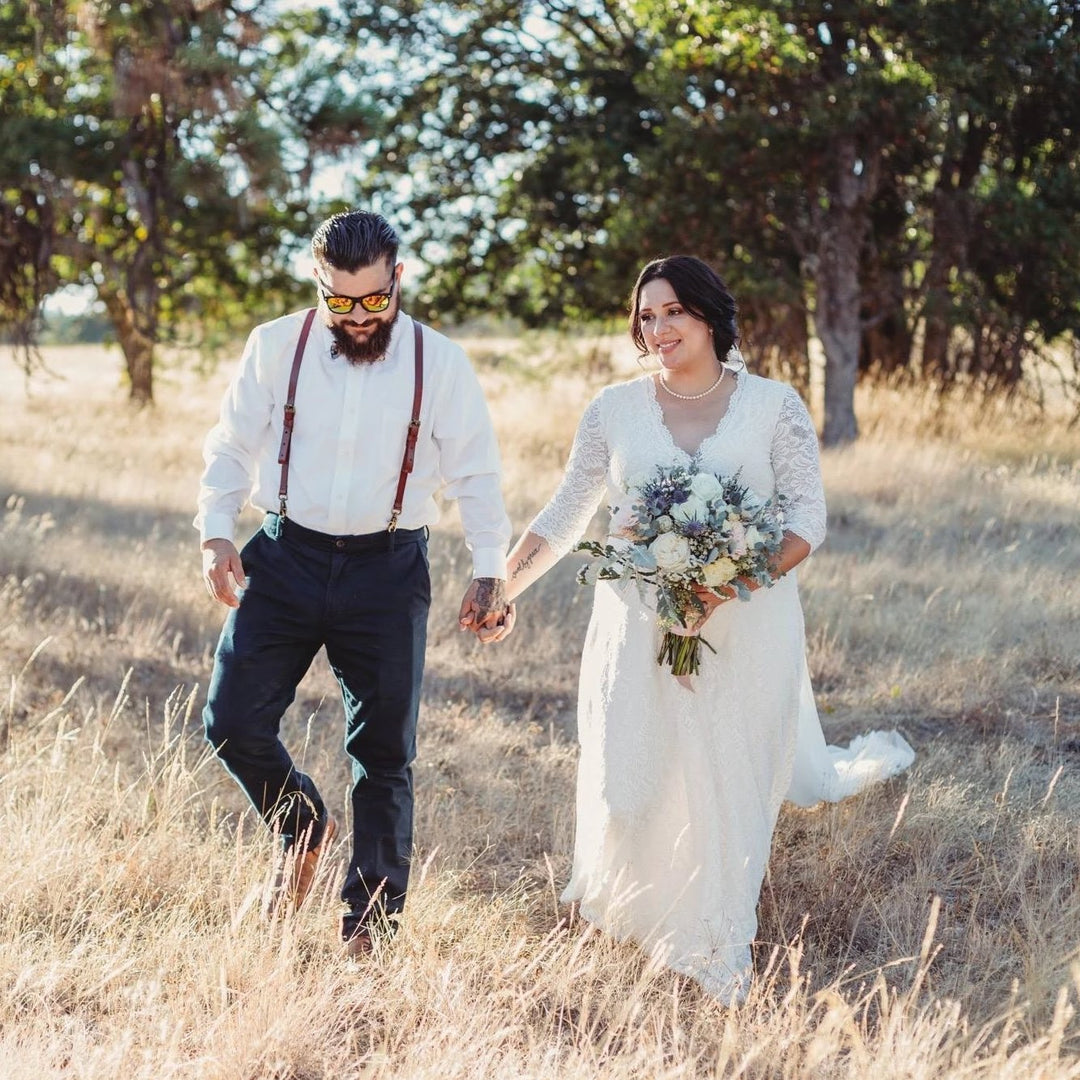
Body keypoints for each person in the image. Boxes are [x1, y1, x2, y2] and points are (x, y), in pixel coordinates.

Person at [502, 255, 914, 1003]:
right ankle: (635, 910)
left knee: (726, 774)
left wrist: (722, 588)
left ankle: (714, 933)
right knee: (640, 770)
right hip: (636, 623)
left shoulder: (773, 406)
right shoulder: (613, 411)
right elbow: (567, 514)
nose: (657, 329)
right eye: (646, 316)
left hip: (747, 628)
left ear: (710, 317)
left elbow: (805, 520)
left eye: (672, 313)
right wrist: (502, 586)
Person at [196, 210, 514, 956]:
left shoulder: (442, 363)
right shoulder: (276, 346)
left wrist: (490, 568)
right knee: (231, 721)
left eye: (374, 299)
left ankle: (368, 927)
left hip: (389, 568)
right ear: (319, 286)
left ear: (397, 280)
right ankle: (300, 824)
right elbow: (233, 440)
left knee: (383, 756)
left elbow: (476, 471)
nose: (359, 316)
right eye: (340, 302)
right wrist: (216, 529)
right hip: (284, 555)